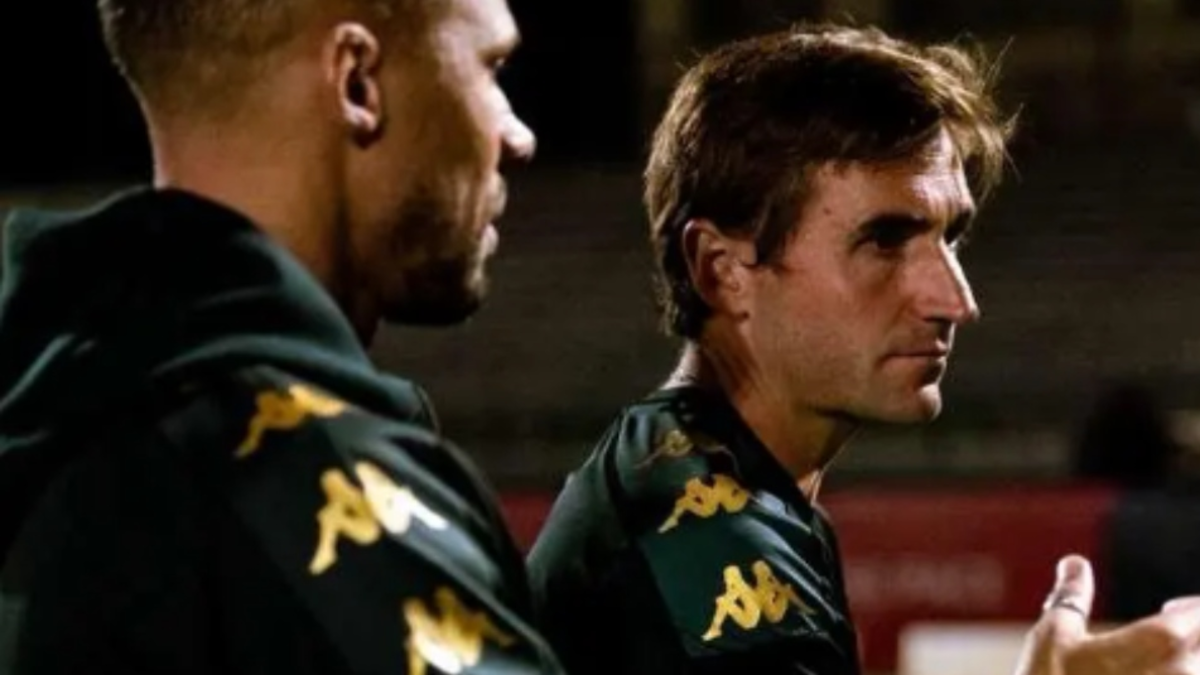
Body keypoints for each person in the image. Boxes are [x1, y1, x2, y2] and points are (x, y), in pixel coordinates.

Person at [526, 23, 1200, 675]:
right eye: (884, 240)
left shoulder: (712, 482)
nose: (955, 300)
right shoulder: (707, 538)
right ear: (722, 269)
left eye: (950, 237)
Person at [0, 0, 564, 673]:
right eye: (490, 68)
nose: (518, 136)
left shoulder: (55, 424)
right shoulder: (307, 492)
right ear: (357, 83)